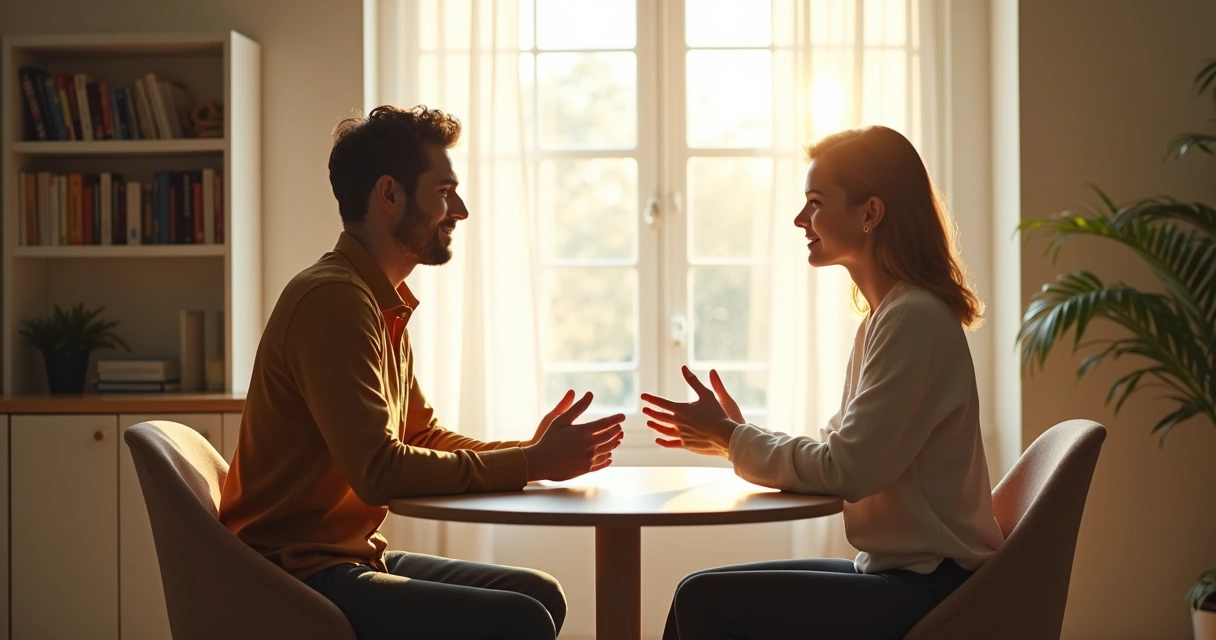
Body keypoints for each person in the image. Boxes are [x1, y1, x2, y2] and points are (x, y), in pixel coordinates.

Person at [218, 104, 625, 640]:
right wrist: (528, 462)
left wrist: (530, 452)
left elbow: (420, 435)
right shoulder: (335, 300)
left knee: (538, 593)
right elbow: (379, 471)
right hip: (294, 575)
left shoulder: (375, 300)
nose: (460, 209)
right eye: (443, 191)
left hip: (341, 558)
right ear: (389, 195)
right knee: (520, 619)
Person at [640, 125, 1005, 639]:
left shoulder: (912, 319)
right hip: (900, 573)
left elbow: (845, 469)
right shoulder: (887, 318)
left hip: (930, 590)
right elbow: (839, 451)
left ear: (870, 213)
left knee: (703, 601)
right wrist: (737, 435)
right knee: (694, 596)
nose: (799, 219)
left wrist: (730, 438)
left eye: (814, 203)